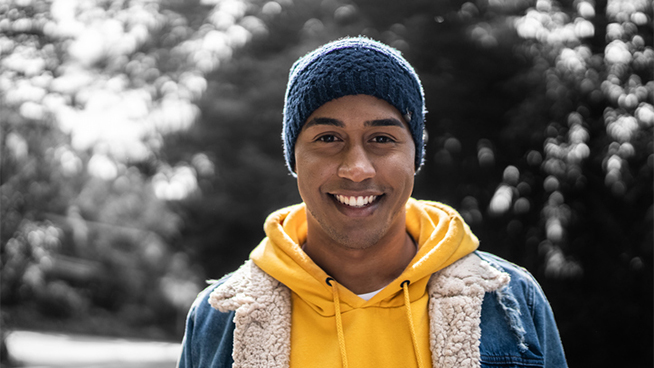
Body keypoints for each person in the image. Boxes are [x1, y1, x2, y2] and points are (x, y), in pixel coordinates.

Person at [177, 37, 568, 368]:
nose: (356, 169)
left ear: (415, 156)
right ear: (293, 158)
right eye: (328, 138)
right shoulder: (220, 316)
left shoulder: (511, 301)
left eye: (382, 139)